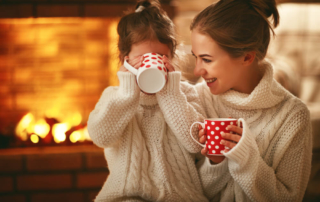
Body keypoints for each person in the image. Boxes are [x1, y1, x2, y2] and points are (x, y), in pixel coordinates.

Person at [189, 0, 313, 201]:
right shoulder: (199, 97)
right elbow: (186, 190)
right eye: (195, 57)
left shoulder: (293, 116)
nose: (197, 70)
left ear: (247, 57)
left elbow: (288, 198)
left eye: (207, 59)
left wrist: (245, 158)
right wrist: (216, 163)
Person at [87, 0, 208, 201]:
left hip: (180, 196)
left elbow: (196, 144)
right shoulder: (115, 96)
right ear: (126, 58)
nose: (152, 63)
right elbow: (101, 136)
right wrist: (127, 93)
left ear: (172, 56)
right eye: (142, 57)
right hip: (127, 194)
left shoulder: (185, 94)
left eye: (161, 56)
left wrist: (170, 94)